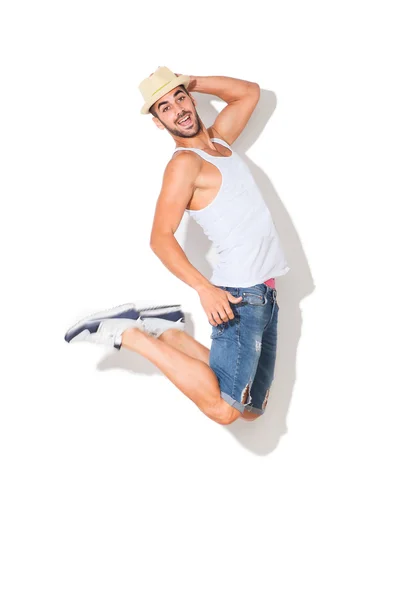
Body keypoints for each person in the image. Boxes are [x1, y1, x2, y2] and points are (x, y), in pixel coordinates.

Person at [64, 66, 290, 426]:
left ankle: (165, 329)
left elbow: (249, 92)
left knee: (250, 410)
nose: (178, 110)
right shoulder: (184, 165)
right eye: (165, 108)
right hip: (240, 296)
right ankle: (130, 335)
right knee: (225, 410)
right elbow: (159, 237)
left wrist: (186, 80)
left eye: (180, 98)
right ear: (158, 122)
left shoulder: (220, 143)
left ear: (191, 98)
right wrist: (204, 289)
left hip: (267, 293)